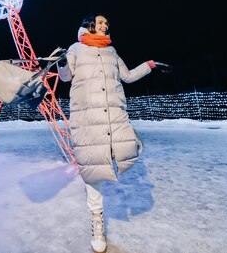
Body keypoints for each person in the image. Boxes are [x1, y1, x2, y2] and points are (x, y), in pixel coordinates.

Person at [57, 13, 157, 253]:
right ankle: (97, 222)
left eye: (106, 24)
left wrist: (150, 65)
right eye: (101, 22)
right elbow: (65, 77)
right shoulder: (76, 49)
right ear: (89, 25)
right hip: (88, 118)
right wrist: (61, 61)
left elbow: (128, 76)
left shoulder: (112, 52)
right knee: (94, 171)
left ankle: (131, 141)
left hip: (113, 116)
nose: (105, 26)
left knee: (126, 151)